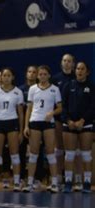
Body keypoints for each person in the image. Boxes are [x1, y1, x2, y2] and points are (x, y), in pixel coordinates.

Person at [23, 65, 62, 193]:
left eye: (45, 74)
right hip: (35, 122)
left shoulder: (55, 89)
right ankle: (29, 183)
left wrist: (52, 113)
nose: (42, 76)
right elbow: (29, 108)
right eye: (40, 74)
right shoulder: (33, 89)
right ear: (38, 76)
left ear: (49, 75)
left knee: (50, 153)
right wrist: (26, 126)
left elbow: (60, 108)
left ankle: (55, 183)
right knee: (33, 154)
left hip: (48, 123)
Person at [0, 68, 25, 191]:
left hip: (12, 123)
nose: (6, 77)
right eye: (4, 75)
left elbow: (21, 114)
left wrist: (21, 131)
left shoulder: (18, 92)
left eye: (9, 75)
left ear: (12, 77)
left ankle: (17, 182)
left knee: (14, 154)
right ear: (1, 77)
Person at [61, 61, 94, 193]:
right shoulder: (68, 86)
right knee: (69, 155)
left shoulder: (92, 87)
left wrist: (82, 120)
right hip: (69, 124)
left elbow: (93, 107)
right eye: (78, 69)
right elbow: (63, 106)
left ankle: (87, 182)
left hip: (86, 123)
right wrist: (69, 121)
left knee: (86, 155)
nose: (79, 71)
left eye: (82, 69)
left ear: (87, 72)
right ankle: (68, 181)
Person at [52, 54, 76, 187]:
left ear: (73, 64)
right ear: (61, 63)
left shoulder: (77, 77)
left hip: (72, 119)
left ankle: (72, 178)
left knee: (73, 150)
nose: (67, 63)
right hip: (58, 119)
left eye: (69, 61)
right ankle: (59, 177)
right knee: (59, 149)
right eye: (64, 61)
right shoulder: (55, 79)